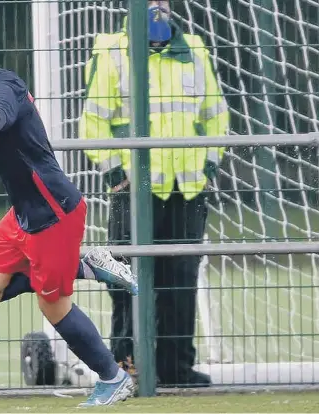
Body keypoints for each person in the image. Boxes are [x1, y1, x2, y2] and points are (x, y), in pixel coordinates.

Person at [0, 14, 139, 407]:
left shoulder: (6, 86)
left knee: (53, 305)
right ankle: (87, 265)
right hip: (23, 213)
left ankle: (113, 377)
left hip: (54, 213)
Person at [79, 0, 229, 388]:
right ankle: (126, 364)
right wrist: (116, 174)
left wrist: (209, 166)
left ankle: (176, 367)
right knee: (128, 277)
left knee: (181, 279)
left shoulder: (194, 49)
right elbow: (93, 120)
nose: (156, 6)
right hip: (137, 187)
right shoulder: (112, 50)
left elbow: (216, 114)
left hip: (187, 185)